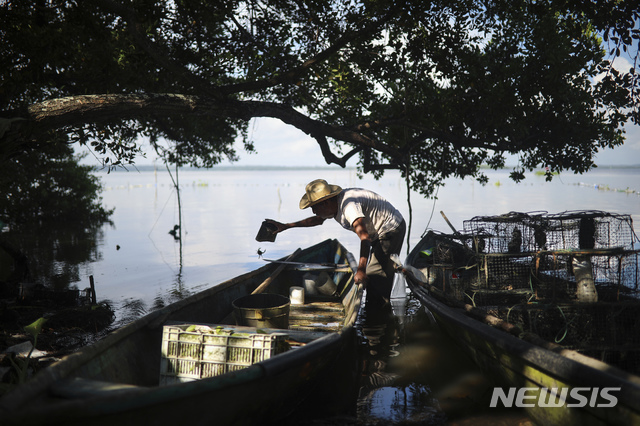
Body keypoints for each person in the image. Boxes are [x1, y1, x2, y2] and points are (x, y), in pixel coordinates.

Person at [265, 179, 406, 304]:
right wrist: (286, 226)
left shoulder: (348, 207)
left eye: (314, 207)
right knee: (375, 274)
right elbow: (317, 220)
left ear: (326, 202)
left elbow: (364, 238)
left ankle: (379, 318)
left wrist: (361, 270)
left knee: (374, 276)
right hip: (376, 233)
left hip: (391, 229)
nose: (313, 211)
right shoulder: (333, 204)